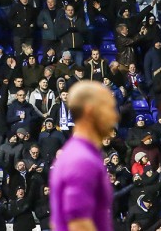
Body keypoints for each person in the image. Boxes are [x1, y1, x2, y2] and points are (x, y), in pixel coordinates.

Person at [50, 81, 118, 231]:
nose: (115, 116)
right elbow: (77, 222)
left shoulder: (83, 153)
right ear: (90, 111)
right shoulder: (81, 160)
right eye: (109, 108)